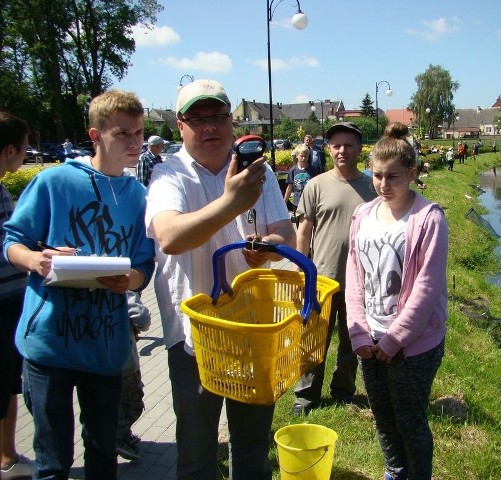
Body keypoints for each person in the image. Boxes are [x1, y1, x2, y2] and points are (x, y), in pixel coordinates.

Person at [145, 79, 295, 480]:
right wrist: (231, 203)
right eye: (198, 119)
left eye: (217, 117)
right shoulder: (168, 175)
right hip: (196, 335)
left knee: (251, 445)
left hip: (252, 329)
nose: (209, 127)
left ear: (231, 121)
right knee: (197, 450)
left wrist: (266, 246)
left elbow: (286, 231)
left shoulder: (254, 172)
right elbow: (170, 237)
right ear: (181, 126)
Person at [3, 91, 156, 479]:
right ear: (95, 135)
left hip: (105, 345)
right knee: (52, 459)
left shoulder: (139, 196)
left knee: (103, 453)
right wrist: (38, 260)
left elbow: (143, 263)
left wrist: (130, 281)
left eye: (139, 132)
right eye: (123, 133)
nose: (135, 142)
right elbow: (11, 242)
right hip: (49, 344)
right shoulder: (53, 181)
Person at [345, 125, 448, 480]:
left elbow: (427, 286)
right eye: (376, 175)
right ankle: (395, 472)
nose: (383, 184)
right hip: (371, 340)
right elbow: (355, 276)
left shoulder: (428, 218)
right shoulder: (362, 215)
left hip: (413, 344)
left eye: (393, 176)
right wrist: (360, 336)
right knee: (384, 418)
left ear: (413, 174)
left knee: (410, 420)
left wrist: (395, 339)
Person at [291, 122, 376, 415]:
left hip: (360, 281)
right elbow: (303, 232)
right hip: (322, 279)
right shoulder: (316, 185)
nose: (342, 150)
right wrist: (302, 272)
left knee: (352, 339)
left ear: (359, 148)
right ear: (328, 149)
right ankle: (306, 395)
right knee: (314, 339)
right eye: (336, 145)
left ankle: (343, 391)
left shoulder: (372, 187)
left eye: (348, 145)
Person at [0, 112, 32, 480]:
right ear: (10, 150)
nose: (24, 157)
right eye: (24, 150)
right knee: (6, 383)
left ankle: (8, 454)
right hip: (4, 303)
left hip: (10, 301)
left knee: (9, 383)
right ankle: (6, 458)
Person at [115, 291, 151, 462]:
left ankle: (118, 434)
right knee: (132, 404)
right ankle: (118, 437)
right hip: (126, 365)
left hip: (100, 365)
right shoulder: (123, 285)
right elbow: (142, 319)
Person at [283, 144, 318, 214]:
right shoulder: (293, 170)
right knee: (298, 223)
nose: (304, 158)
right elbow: (289, 188)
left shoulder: (313, 170)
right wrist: (284, 202)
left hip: (310, 202)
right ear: (297, 156)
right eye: (301, 156)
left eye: (306, 156)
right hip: (297, 202)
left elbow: (317, 187)